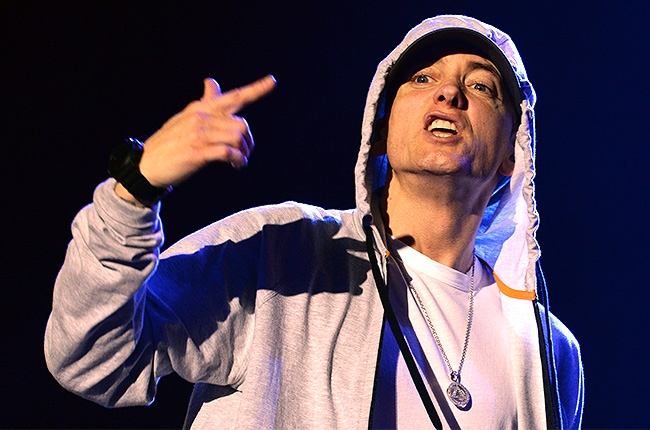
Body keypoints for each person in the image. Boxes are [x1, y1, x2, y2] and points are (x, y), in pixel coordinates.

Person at [45, 15, 584, 429]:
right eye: (422, 78)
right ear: (380, 130)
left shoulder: (548, 352)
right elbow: (92, 358)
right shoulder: (283, 252)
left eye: (482, 87)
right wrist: (135, 190)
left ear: (513, 154)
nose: (449, 93)